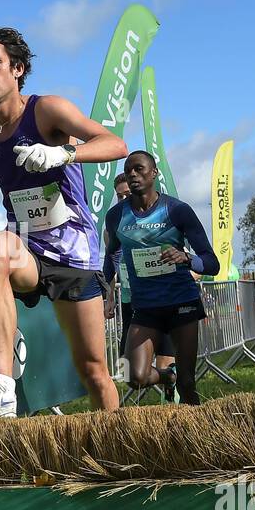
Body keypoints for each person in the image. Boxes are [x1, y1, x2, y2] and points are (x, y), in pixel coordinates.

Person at [0, 23, 127, 417]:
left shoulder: (48, 109)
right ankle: (4, 386)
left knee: (94, 372)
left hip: (74, 255)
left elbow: (114, 144)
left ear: (16, 68)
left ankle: (120, 440)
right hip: (29, 249)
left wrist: (64, 155)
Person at [102, 152, 218, 405]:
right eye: (128, 169)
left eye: (139, 169)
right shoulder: (116, 216)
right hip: (145, 307)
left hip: (182, 303)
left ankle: (199, 434)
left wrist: (186, 258)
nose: (133, 174)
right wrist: (106, 292)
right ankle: (167, 376)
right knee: (134, 376)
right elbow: (111, 256)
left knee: (188, 383)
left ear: (154, 173)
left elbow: (212, 263)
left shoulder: (177, 210)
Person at [106, 171, 180, 400]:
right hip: (131, 303)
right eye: (119, 196)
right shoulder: (116, 224)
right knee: (128, 370)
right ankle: (169, 377)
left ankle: (172, 412)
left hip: (164, 299)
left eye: (127, 193)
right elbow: (110, 262)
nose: (124, 198)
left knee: (165, 356)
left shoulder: (163, 218)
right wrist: (109, 298)